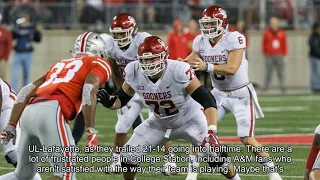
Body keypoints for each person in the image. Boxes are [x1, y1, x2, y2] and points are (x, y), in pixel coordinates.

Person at [98, 35, 241, 180]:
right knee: (128, 156)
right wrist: (110, 102)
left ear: (164, 56)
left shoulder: (178, 70)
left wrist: (212, 131)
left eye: (153, 59)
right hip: (159, 123)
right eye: (145, 60)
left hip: (190, 121)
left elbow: (208, 100)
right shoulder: (134, 70)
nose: (149, 63)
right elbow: (121, 99)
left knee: (215, 154)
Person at [184, 5, 282, 180]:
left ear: (222, 23)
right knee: (199, 131)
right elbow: (191, 59)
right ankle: (192, 174)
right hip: (218, 93)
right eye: (205, 24)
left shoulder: (234, 38)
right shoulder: (200, 41)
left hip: (240, 94)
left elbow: (232, 68)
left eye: (212, 24)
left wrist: (207, 66)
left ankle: (272, 172)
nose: (207, 28)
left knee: (246, 139)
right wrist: (179, 65)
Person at [0, 32, 111, 180]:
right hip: (52, 112)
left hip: (29, 113)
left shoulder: (61, 63)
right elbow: (88, 89)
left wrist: (11, 124)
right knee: (65, 175)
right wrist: (90, 130)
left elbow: (25, 91)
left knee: (24, 175)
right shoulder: (98, 62)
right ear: (100, 51)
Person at [100, 13, 177, 174]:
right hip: (130, 88)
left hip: (150, 88)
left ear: (133, 31)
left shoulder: (143, 41)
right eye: (116, 33)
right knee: (121, 126)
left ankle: (170, 161)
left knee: (161, 123)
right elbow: (114, 69)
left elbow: (161, 63)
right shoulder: (109, 45)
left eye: (123, 32)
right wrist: (122, 92)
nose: (119, 36)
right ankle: (116, 162)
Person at [11, 12, 42, 92]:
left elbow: (38, 39)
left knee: (26, 75)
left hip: (28, 54)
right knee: (15, 75)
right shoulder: (18, 27)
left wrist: (37, 31)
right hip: (18, 53)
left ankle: (24, 93)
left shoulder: (32, 27)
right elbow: (12, 36)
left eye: (26, 17)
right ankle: (13, 92)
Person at [262, 16, 287, 93]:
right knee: (268, 72)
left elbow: (284, 44)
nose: (274, 25)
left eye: (275, 23)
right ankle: (266, 88)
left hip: (279, 55)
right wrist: (265, 53)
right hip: (269, 55)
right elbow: (263, 43)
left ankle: (283, 88)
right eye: (272, 23)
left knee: (281, 72)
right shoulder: (266, 32)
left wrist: (285, 54)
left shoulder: (282, 32)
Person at [0, 12, 13, 81]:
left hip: (1, 59)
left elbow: (9, 45)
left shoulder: (5, 32)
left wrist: (6, 57)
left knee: (2, 77)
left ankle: (3, 91)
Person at [308, 22, 320, 93]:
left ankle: (317, 86)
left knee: (318, 72)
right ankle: (315, 86)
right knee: (314, 72)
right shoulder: (313, 36)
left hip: (317, 57)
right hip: (314, 57)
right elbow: (314, 46)